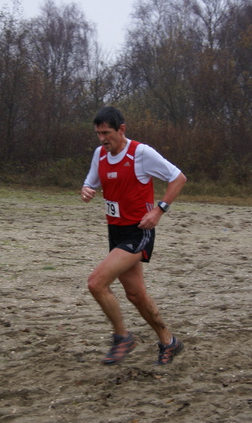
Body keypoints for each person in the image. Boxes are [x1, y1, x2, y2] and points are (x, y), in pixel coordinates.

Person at [81, 106, 187, 366]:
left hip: (138, 231)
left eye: (107, 133)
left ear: (122, 129)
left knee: (96, 283)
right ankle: (168, 340)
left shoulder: (141, 153)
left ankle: (123, 337)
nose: (102, 139)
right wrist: (86, 189)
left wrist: (159, 210)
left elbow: (178, 178)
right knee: (136, 295)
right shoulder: (100, 154)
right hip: (115, 231)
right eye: (98, 134)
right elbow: (91, 182)